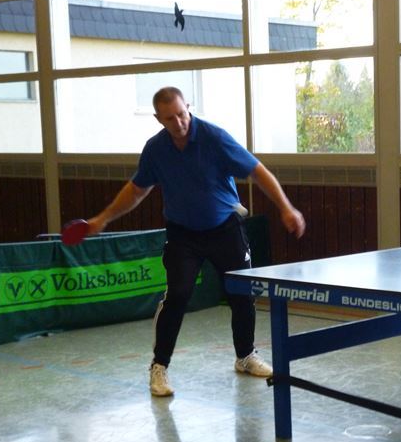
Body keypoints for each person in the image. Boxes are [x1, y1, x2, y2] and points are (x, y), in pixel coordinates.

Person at [86, 86, 305, 397]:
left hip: (225, 228)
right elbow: (136, 190)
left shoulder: (215, 138)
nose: (178, 123)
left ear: (188, 107)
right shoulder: (156, 149)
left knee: (242, 293)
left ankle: (245, 356)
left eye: (181, 114)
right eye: (170, 118)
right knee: (177, 295)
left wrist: (286, 207)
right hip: (183, 234)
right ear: (158, 119)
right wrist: (103, 219)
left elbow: (258, 171)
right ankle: (159, 367)